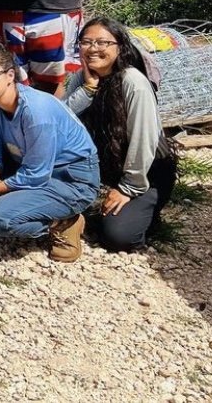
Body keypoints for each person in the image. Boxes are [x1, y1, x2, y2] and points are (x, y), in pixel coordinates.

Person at [0, 42, 101, 262]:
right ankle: (10, 204)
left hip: (69, 178)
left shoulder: (36, 110)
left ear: (10, 75)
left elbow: (36, 174)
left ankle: (64, 221)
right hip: (27, 163)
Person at [64, 18, 178, 252]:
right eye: (86, 42)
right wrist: (87, 91)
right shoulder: (82, 77)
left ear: (120, 47)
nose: (93, 48)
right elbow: (60, 120)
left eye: (102, 42)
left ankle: (146, 213)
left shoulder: (133, 82)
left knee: (118, 237)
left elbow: (143, 141)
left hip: (146, 173)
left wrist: (128, 188)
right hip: (103, 169)